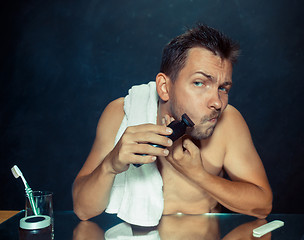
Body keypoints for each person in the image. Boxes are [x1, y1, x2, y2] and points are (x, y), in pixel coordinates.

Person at [72, 24, 273, 221]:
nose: (217, 103)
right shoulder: (120, 114)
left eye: (223, 88)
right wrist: (110, 165)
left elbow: (263, 206)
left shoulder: (228, 121)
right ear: (164, 87)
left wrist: (198, 175)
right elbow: (83, 209)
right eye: (199, 83)